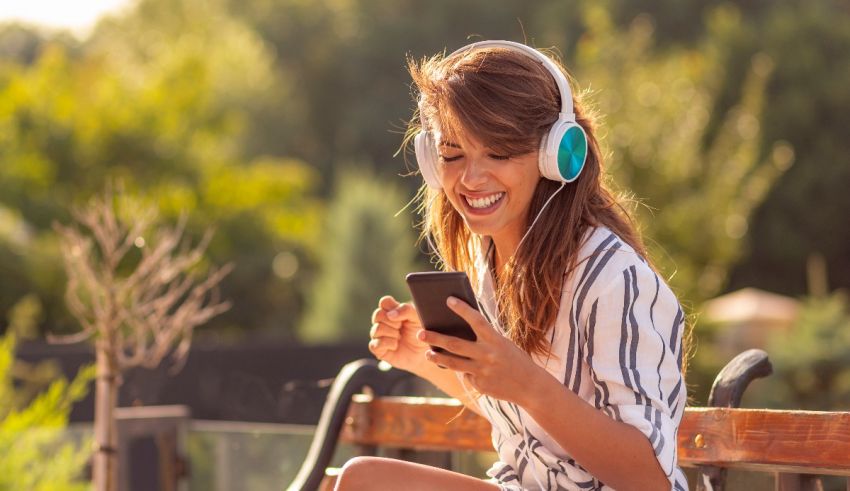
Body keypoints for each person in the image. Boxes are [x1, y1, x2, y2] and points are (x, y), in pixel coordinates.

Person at [335, 40, 688, 491]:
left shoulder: (615, 279)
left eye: (498, 153)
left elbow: (650, 480)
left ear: (555, 155)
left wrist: (526, 382)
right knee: (366, 481)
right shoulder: (490, 263)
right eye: (451, 154)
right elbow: (531, 423)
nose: (470, 178)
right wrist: (427, 361)